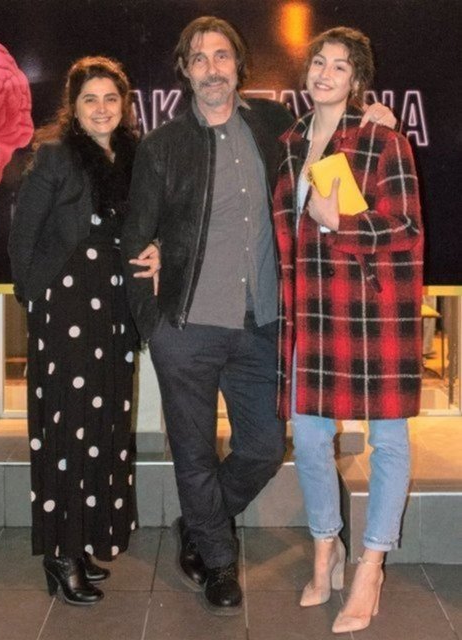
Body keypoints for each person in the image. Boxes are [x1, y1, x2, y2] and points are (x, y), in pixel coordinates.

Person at [122, 16, 395, 616]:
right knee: (193, 453)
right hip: (187, 328)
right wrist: (155, 330)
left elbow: (333, 146)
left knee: (265, 449)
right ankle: (219, 563)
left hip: (261, 325)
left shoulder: (275, 126)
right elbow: (135, 242)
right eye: (199, 59)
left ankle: (200, 526)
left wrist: (370, 117)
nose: (212, 69)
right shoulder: (162, 147)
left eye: (222, 56)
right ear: (185, 70)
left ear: (239, 65)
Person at [273, 27, 423, 634]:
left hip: (373, 308)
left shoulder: (383, 138)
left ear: (357, 79)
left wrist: (342, 224)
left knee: (388, 438)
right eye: (318, 62)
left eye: (340, 65)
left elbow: (408, 227)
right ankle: (325, 548)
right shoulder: (289, 143)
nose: (325, 73)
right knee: (309, 438)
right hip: (310, 309)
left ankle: (372, 565)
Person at [8, 56, 159, 606]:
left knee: (103, 426)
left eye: (110, 99)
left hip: (114, 307)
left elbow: (146, 226)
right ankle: (61, 554)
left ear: (125, 106)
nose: (101, 108)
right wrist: (36, 299)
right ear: (73, 107)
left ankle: (84, 540)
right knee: (68, 428)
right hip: (66, 308)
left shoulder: (134, 159)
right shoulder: (55, 156)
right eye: (90, 99)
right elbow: (23, 237)